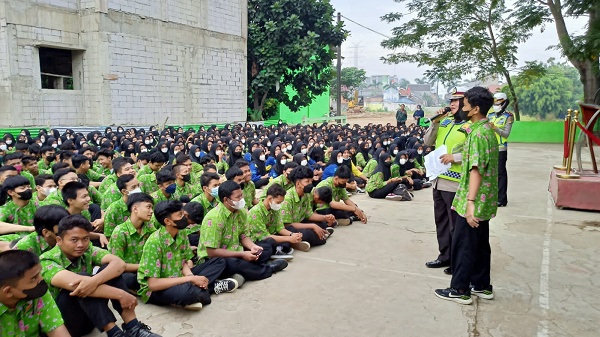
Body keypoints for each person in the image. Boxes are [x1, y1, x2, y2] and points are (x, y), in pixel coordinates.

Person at [40, 214, 161, 337]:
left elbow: (119, 264)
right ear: (59, 240)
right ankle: (115, 333)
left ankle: (133, 327)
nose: (81, 244)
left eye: (85, 239)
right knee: (81, 281)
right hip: (64, 325)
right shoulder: (47, 260)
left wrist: (94, 281)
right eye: (74, 240)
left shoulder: (88, 250)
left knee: (106, 271)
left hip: (90, 318)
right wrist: (121, 294)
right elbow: (76, 284)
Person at [434, 86, 499, 305]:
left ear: (475, 108)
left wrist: (470, 203)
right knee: (480, 244)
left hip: (474, 200)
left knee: (464, 245)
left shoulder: (478, 134)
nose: (463, 106)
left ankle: (459, 289)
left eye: (467, 103)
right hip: (485, 199)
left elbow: (476, 169)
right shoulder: (485, 129)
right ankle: (481, 285)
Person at [137, 200, 239, 311]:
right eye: (180, 215)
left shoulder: (181, 232)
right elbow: (153, 284)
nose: (185, 217)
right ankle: (210, 287)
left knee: (219, 261)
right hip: (158, 289)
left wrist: (191, 277)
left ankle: (201, 289)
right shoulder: (154, 243)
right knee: (187, 293)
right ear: (168, 221)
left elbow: (183, 262)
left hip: (180, 276)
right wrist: (190, 279)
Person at [197, 181, 287, 281]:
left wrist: (253, 247)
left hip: (236, 250)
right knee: (230, 263)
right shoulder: (214, 218)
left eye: (241, 195)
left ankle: (243, 270)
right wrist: (242, 254)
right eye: (238, 197)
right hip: (216, 259)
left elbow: (244, 236)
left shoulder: (241, 212)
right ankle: (266, 269)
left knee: (264, 248)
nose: (241, 199)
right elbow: (212, 252)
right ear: (226, 199)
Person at [423, 87, 468, 274]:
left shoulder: (469, 127)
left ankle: (458, 260)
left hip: (455, 182)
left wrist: (455, 158)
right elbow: (427, 141)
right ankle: (445, 256)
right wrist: (434, 122)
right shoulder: (446, 122)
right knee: (441, 221)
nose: (452, 104)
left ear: (467, 104)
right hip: (438, 179)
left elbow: (475, 152)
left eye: (457, 101)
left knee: (454, 224)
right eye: (451, 100)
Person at [0, 250, 71, 337]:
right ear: (8, 291)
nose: (41, 279)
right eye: (34, 278)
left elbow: (56, 330)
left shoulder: (37, 293)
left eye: (39, 273)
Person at [280, 166, 336, 250]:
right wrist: (312, 226)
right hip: (288, 227)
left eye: (311, 181)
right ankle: (293, 242)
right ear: (298, 183)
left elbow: (308, 214)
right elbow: (287, 224)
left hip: (300, 222)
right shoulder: (287, 199)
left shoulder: (306, 194)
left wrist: (325, 218)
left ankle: (314, 236)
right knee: (310, 234)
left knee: (322, 224)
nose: (310, 184)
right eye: (307, 181)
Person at [247, 184, 304, 260]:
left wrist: (292, 235)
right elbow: (264, 236)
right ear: (270, 198)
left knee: (291, 229)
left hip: (272, 235)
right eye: (278, 202)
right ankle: (280, 249)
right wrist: (289, 239)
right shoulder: (256, 212)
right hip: (259, 240)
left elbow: (280, 228)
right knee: (270, 242)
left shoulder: (275, 208)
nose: (279, 205)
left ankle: (281, 248)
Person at [487, 92, 513, 207]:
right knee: (490, 173)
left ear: (504, 103)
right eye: (495, 103)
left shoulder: (508, 117)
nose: (496, 105)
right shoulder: (490, 116)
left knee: (500, 174)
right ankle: (491, 196)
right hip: (490, 147)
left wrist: (495, 128)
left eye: (498, 103)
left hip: (501, 149)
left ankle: (502, 198)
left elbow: (506, 134)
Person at [103, 174, 141, 238]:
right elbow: (109, 236)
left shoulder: (142, 204)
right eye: (133, 187)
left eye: (138, 186)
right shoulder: (113, 209)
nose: (138, 189)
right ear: (124, 191)